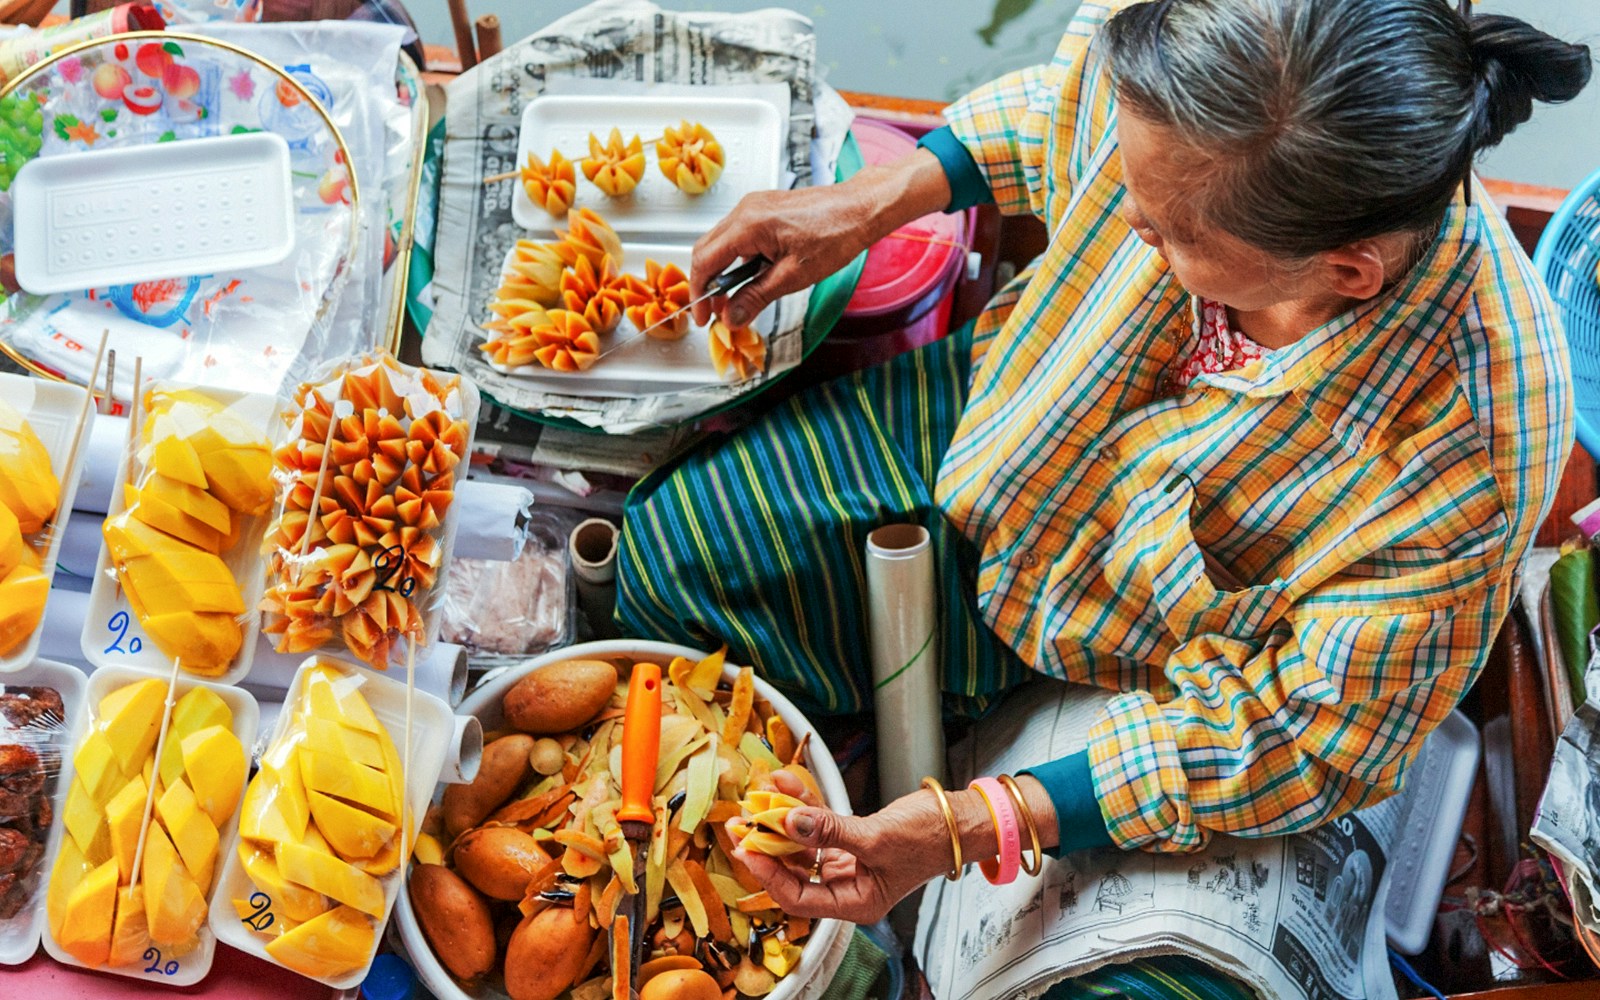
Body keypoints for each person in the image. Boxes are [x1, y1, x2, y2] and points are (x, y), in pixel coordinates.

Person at [617, 0, 1590, 992]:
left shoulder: (1471, 443)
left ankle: (944, 751)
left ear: (1345, 271)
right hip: (1027, 411)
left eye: (1166, 232)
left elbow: (1292, 731)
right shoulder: (1197, 42)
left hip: (1156, 664)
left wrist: (982, 821)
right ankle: (902, 731)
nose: (1120, 216)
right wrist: (868, 204)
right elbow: (1057, 110)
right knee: (669, 558)